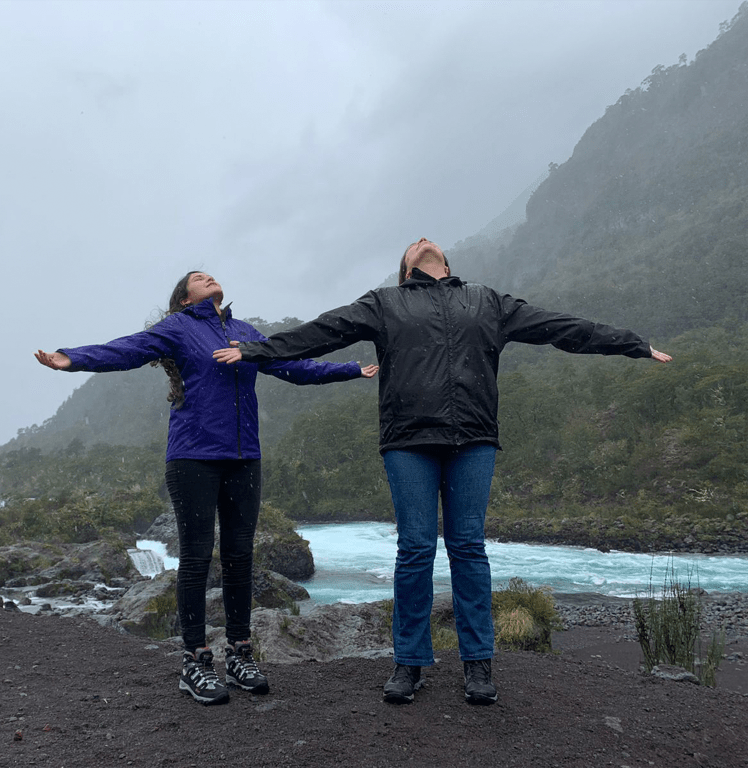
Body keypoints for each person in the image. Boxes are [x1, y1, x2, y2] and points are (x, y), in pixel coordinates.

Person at [213, 239, 671, 706]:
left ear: (447, 264)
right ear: (407, 268)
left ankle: (477, 663)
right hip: (408, 441)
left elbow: (560, 327)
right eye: (413, 246)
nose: (422, 241)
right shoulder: (385, 303)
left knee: (468, 546)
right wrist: (256, 350)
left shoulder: (488, 301)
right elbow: (323, 331)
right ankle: (409, 663)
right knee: (415, 548)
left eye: (427, 242)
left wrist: (632, 344)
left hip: (472, 438)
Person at [35, 271, 378, 706]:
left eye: (210, 273)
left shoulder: (244, 332)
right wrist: (71, 358)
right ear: (183, 299)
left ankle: (240, 653)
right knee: (196, 559)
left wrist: (350, 369)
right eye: (197, 278)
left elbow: (293, 363)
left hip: (244, 457)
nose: (207, 275)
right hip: (193, 457)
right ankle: (195, 660)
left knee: (239, 558)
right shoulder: (178, 327)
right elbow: (127, 349)